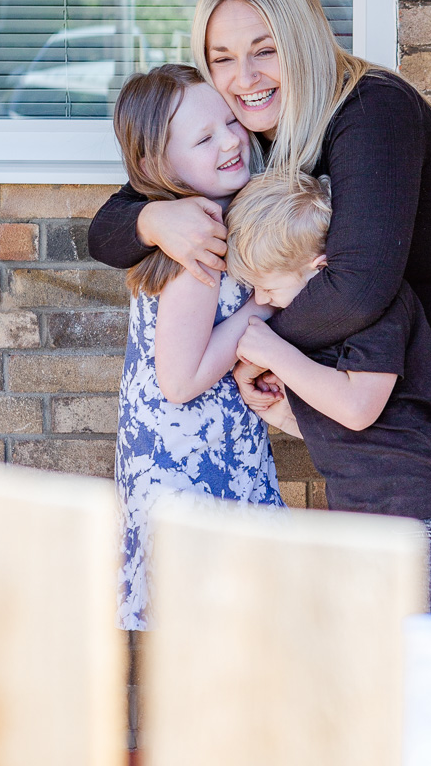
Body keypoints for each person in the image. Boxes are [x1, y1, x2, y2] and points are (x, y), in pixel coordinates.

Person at [89, 0, 431, 533]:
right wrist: (155, 221)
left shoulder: (372, 111)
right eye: (222, 59)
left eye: (265, 50)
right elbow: (108, 225)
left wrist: (251, 348)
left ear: (304, 40)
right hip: (399, 371)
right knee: (423, 585)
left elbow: (356, 289)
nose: (244, 78)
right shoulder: (238, 134)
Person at [225, 171, 431, 612]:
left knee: (430, 662)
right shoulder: (318, 329)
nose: (263, 300)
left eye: (269, 286)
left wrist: (273, 351)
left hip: (424, 520)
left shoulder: (377, 305)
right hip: (367, 527)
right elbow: (350, 433)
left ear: (319, 267)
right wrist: (283, 415)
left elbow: (359, 408)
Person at [111, 65, 284, 631]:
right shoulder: (199, 242)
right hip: (190, 464)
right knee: (211, 627)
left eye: (231, 122)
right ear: (160, 168)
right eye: (204, 138)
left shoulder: (210, 218)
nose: (232, 140)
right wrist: (258, 312)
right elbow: (179, 381)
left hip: (201, 451)